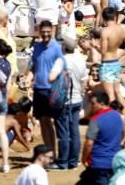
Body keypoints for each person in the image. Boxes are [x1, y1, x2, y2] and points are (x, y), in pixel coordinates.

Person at [55, 34, 88, 171]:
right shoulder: (80, 59)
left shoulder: (62, 60)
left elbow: (53, 77)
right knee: (74, 131)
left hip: (65, 100)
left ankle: (63, 161)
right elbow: (84, 81)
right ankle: (73, 161)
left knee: (64, 131)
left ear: (63, 47)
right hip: (77, 98)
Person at [31, 20, 62, 153]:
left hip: (51, 89)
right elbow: (33, 64)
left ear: (52, 31)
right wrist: (28, 77)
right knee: (43, 121)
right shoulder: (37, 47)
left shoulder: (57, 48)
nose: (45, 35)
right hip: (38, 88)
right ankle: (47, 150)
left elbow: (61, 68)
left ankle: (52, 152)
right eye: (43, 32)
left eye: (48, 32)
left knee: (49, 122)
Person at [81, 89, 124, 185]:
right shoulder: (117, 116)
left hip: (98, 163)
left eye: (93, 104)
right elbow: (123, 132)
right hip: (114, 161)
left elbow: (89, 144)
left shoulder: (95, 120)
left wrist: (84, 158)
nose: (91, 107)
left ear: (101, 104)